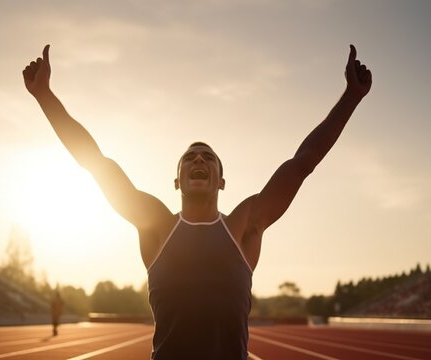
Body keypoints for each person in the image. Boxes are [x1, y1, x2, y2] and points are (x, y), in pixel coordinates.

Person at [23, 44, 372, 359]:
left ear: (221, 180)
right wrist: (45, 97)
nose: (199, 160)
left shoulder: (245, 224)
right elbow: (96, 163)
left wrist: (350, 99)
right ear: (177, 181)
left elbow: (303, 162)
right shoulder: (156, 225)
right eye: (190, 158)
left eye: (208, 158)